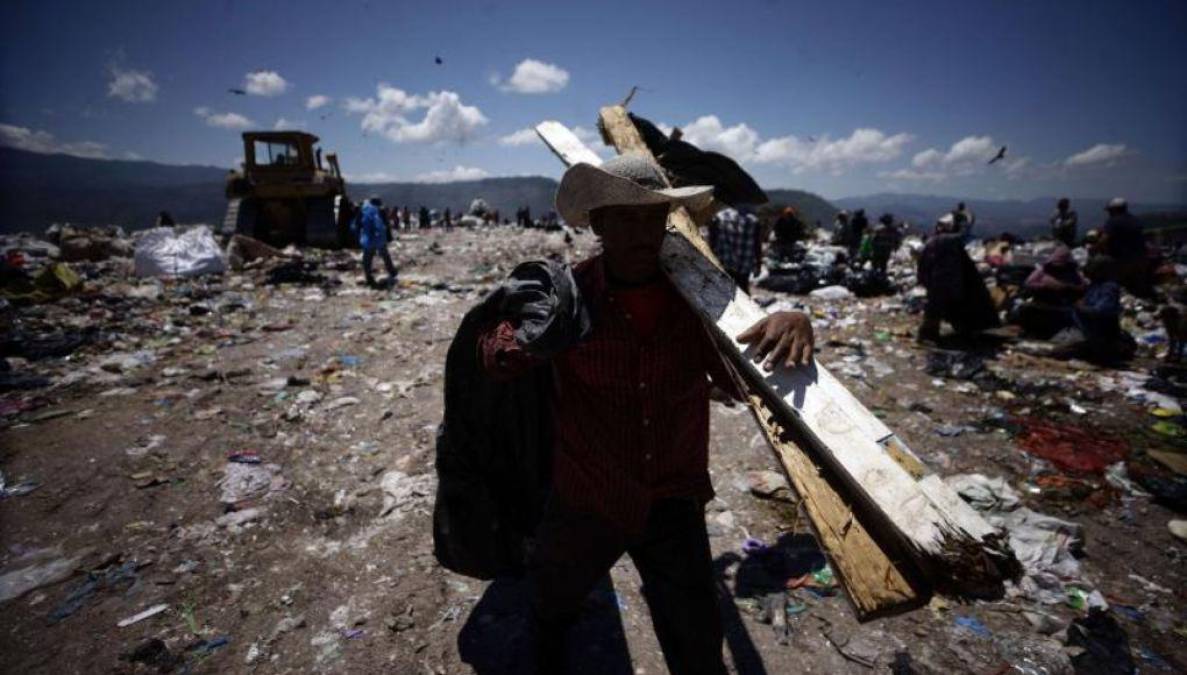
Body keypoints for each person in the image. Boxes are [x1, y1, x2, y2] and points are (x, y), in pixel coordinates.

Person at [471, 154, 814, 674]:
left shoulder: (702, 303)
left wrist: (791, 323)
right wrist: (516, 340)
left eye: (651, 218)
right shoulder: (570, 295)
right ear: (600, 224)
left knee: (695, 638)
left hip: (673, 498)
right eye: (624, 218)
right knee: (550, 612)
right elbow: (495, 360)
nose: (640, 232)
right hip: (589, 496)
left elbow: (741, 384)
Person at [916, 213, 1000, 342]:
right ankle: (930, 334)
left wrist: (923, 279)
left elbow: (923, 263)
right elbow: (964, 235)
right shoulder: (947, 240)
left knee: (934, 309)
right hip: (946, 281)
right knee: (940, 308)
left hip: (936, 281)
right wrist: (969, 219)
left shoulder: (931, 242)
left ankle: (928, 334)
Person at [1053, 255, 1135, 363]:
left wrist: (1079, 307)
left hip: (1102, 338)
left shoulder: (1109, 288)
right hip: (1089, 334)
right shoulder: (1094, 286)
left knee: (1061, 353)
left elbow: (1099, 312)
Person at [1010, 246, 1087, 338]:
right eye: (1056, 262)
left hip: (1063, 304)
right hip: (1044, 301)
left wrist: (1065, 286)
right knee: (1025, 309)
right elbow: (1028, 283)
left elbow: (1082, 287)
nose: (1058, 265)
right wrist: (1044, 286)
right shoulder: (1044, 269)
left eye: (1061, 262)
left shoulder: (1073, 271)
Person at [1099, 197, 1152, 297]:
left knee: (1116, 285)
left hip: (1122, 260)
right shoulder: (1135, 220)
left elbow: (1103, 240)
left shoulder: (1114, 221)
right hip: (1141, 258)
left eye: (1110, 210)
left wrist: (1096, 249)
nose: (1109, 213)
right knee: (1137, 287)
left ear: (1115, 210)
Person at [707, 205, 763, 293]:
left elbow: (712, 241)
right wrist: (758, 266)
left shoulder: (719, 217)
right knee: (743, 291)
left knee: (723, 292)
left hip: (724, 262)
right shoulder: (753, 221)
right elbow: (757, 246)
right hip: (744, 265)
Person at [351, 196, 397, 288]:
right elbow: (384, 224)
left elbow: (357, 224)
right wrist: (388, 236)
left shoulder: (363, 209)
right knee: (385, 254)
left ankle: (369, 277)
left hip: (368, 238)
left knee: (367, 258)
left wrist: (356, 236)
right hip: (379, 237)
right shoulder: (378, 210)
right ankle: (392, 271)